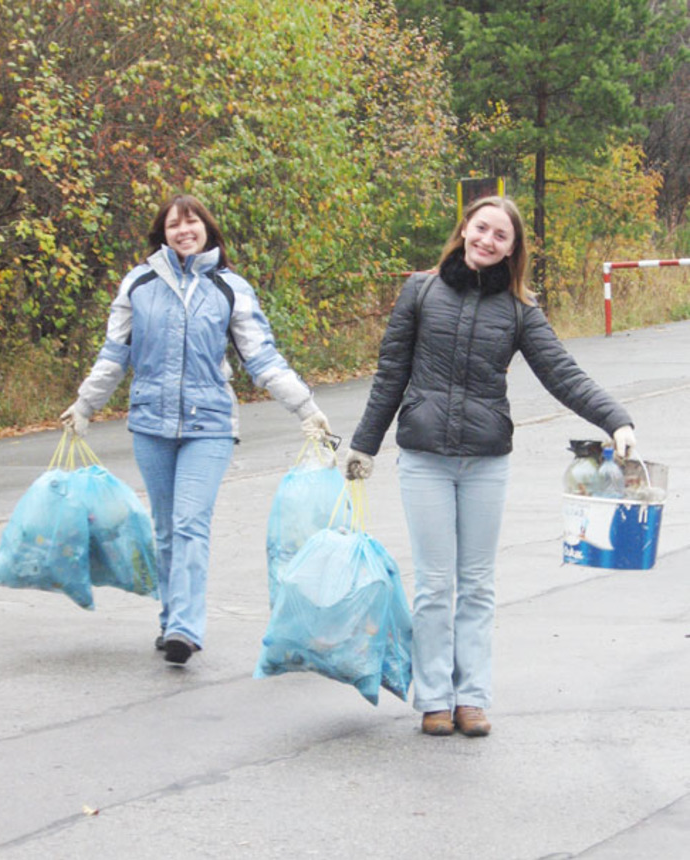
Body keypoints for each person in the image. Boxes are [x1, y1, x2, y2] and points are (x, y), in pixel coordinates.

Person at [345, 196, 636, 737]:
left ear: (512, 249)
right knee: (435, 585)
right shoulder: (420, 291)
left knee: (476, 584)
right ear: (464, 229)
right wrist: (365, 445)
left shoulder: (520, 310)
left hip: (486, 462)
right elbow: (389, 374)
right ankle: (434, 697)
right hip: (425, 458)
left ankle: (471, 697)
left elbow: (564, 375)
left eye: (501, 236)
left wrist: (615, 420)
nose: (488, 240)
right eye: (482, 228)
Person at [61, 193, 331, 666]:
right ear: (162, 234)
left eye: (192, 223)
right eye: (173, 225)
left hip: (209, 425)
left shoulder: (231, 288)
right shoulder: (139, 283)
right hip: (150, 423)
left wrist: (305, 407)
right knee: (165, 528)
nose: (184, 231)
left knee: (189, 523)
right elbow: (114, 355)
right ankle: (171, 620)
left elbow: (261, 357)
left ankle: (185, 628)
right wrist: (84, 405)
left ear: (207, 229)